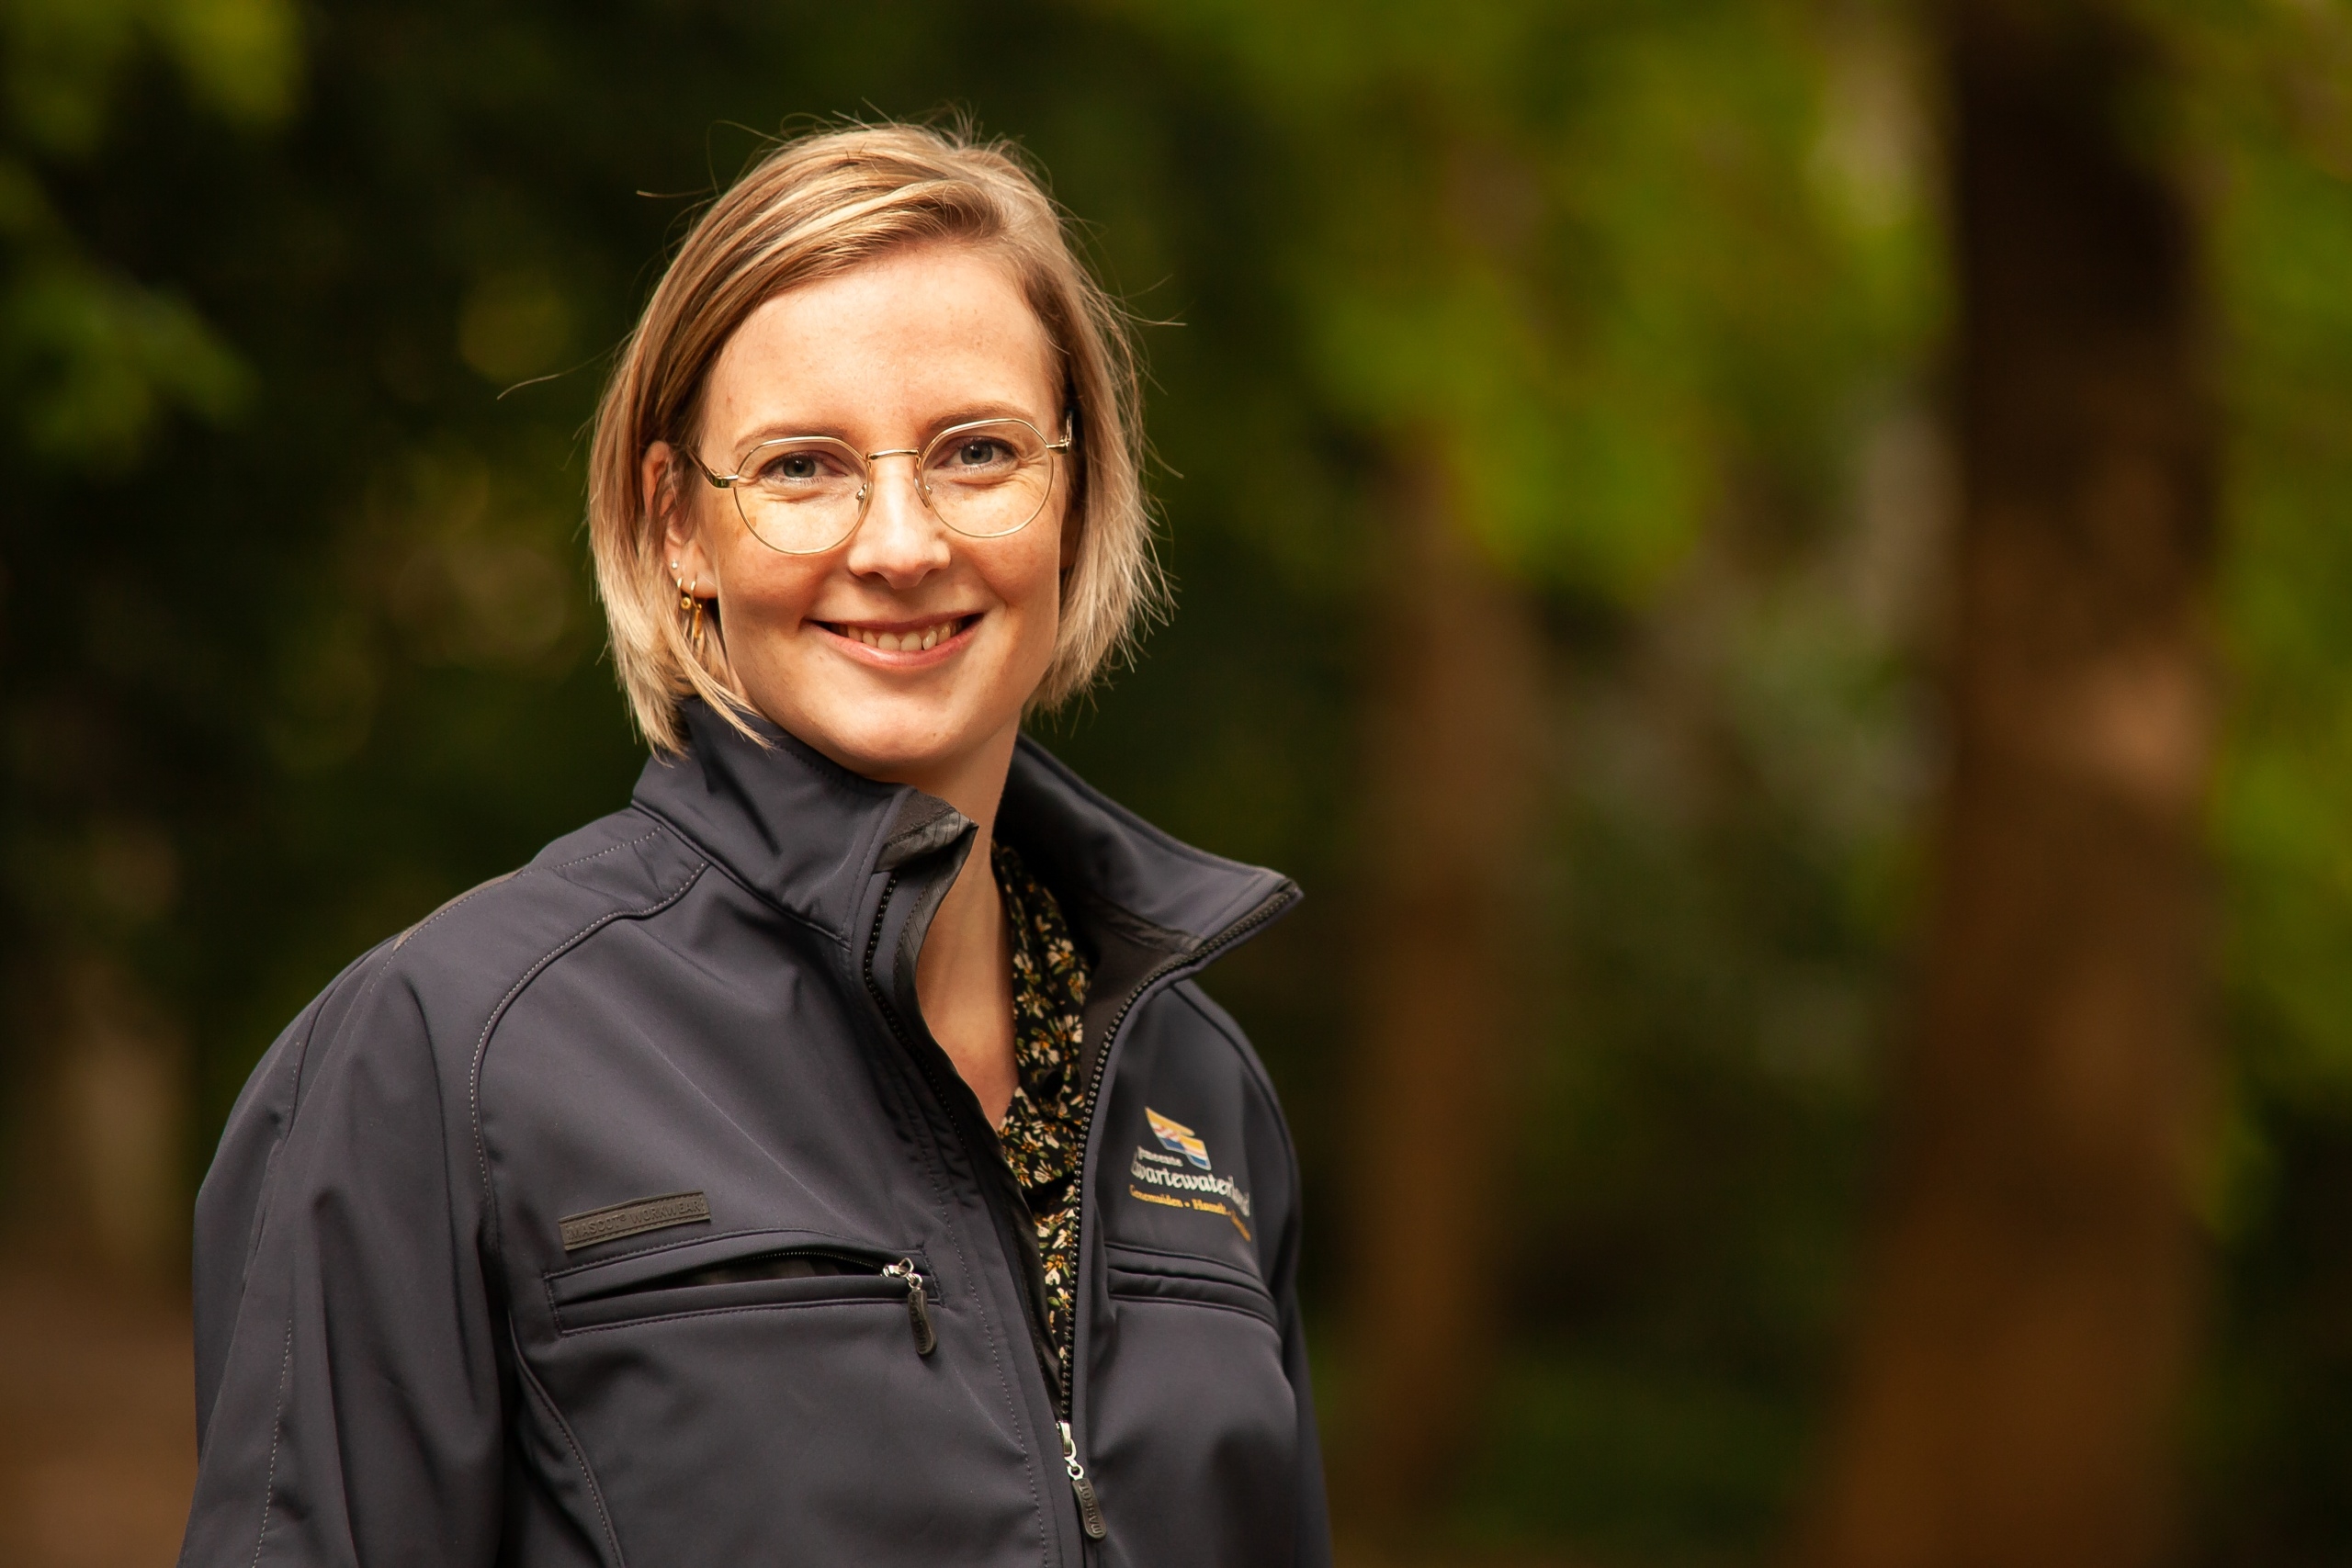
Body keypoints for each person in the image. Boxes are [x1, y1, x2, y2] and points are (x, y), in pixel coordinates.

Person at [178, 122, 1328, 1567]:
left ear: (1076, 490)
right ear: (678, 526)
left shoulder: (1194, 1083)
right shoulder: (443, 1055)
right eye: (801, 467)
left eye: (978, 452)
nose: (900, 542)